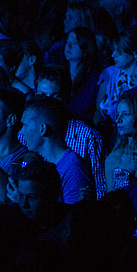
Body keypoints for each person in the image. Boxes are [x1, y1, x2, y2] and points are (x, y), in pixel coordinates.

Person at [32, 66, 107, 198]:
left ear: (66, 96)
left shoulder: (89, 136)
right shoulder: (25, 132)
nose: (48, 102)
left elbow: (100, 186)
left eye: (55, 96)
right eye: (42, 96)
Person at [18, 96, 94, 204]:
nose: (21, 132)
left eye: (25, 126)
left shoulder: (73, 169)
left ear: (42, 129)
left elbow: (75, 217)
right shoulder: (45, 163)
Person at [105, 93, 137, 192]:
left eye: (125, 114)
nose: (118, 120)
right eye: (118, 114)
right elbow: (110, 195)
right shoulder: (114, 157)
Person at [95, 31, 137, 124]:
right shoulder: (109, 74)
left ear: (135, 53)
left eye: (118, 51)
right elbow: (98, 109)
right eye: (113, 50)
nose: (113, 55)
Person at [64, 27, 103, 121]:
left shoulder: (95, 78)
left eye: (74, 43)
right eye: (67, 41)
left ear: (86, 48)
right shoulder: (59, 73)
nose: (68, 46)